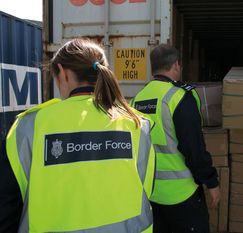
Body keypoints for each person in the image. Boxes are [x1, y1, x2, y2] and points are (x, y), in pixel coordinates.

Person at [0, 38, 155, 233]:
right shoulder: (136, 123)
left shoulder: (29, 125)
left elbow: (8, 204)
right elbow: (144, 187)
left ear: (63, 73)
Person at [130, 44, 220, 233]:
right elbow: (194, 147)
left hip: (151, 194)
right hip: (182, 194)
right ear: (176, 65)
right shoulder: (179, 97)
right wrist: (211, 182)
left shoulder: (136, 100)